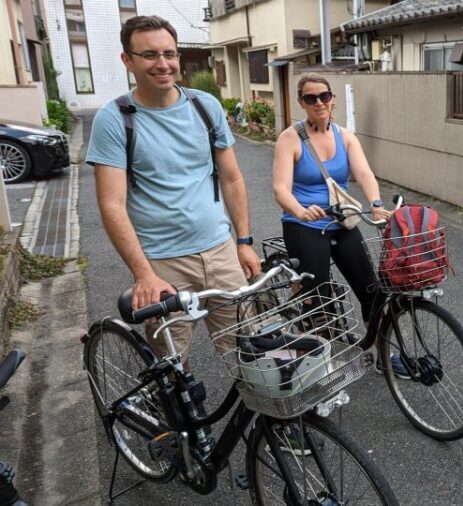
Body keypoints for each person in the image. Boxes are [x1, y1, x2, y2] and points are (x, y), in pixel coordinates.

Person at [87, 16, 260, 364]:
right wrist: (143, 275)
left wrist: (243, 242)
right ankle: (166, 417)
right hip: (164, 262)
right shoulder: (115, 118)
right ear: (128, 60)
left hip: (221, 251)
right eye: (150, 55)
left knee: (248, 355)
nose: (163, 64)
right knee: (171, 370)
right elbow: (112, 204)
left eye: (170, 53)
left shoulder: (205, 106)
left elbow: (232, 178)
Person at [271, 73, 405, 376]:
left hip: (341, 220)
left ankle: (384, 354)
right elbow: (280, 188)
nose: (319, 103)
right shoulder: (290, 138)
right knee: (317, 299)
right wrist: (299, 210)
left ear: (332, 99)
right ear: (301, 102)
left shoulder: (345, 136)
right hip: (304, 223)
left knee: (371, 291)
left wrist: (376, 204)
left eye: (324, 96)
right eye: (310, 98)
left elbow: (365, 174)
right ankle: (321, 361)